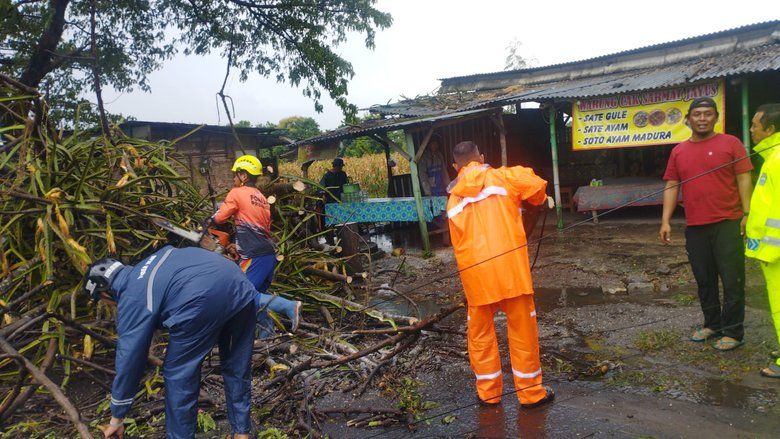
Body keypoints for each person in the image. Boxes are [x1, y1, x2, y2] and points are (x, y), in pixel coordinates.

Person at [84, 247, 256, 439]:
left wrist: (117, 416)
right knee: (236, 364)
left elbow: (129, 359)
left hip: (200, 299)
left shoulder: (131, 295)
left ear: (105, 293)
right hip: (240, 283)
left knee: (179, 374)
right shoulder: (155, 260)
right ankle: (242, 433)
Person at [447, 140, 554, 408]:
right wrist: (541, 200)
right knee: (522, 333)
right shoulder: (504, 177)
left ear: (455, 167)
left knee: (480, 337)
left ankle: (489, 394)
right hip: (511, 275)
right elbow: (536, 186)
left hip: (477, 281)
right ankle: (530, 394)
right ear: (482, 157)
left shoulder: (453, 200)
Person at [659, 97, 753, 351]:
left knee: (732, 278)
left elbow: (744, 178)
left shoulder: (730, 143)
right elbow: (671, 185)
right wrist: (665, 220)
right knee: (704, 279)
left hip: (727, 222)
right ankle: (713, 324)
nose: (702, 118)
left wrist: (747, 212)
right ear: (688, 119)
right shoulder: (678, 151)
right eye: (697, 114)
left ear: (716, 117)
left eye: (707, 114)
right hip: (696, 226)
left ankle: (734, 331)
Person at [211, 155, 300, 338]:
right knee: (257, 297)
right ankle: (266, 337)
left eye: (235, 176)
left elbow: (220, 217)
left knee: (242, 296)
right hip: (267, 254)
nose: (234, 179)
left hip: (254, 256)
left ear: (244, 176)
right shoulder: (261, 197)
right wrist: (237, 245)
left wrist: (209, 219)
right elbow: (259, 227)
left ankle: (289, 306)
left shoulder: (237, 192)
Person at [744, 103, 780, 378]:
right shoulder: (772, 157)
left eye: (756, 125)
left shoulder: (777, 160)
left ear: (770, 129)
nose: (751, 129)